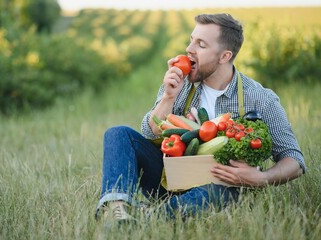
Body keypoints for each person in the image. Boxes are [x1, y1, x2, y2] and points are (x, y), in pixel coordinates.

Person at [95, 13, 306, 222]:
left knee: (218, 191)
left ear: (224, 56)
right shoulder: (181, 82)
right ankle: (116, 212)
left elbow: (294, 160)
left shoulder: (260, 98)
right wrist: (168, 97)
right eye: (191, 40)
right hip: (170, 179)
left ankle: (148, 217)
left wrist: (262, 178)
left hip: (220, 186)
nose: (189, 49)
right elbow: (149, 132)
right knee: (119, 134)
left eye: (201, 45)